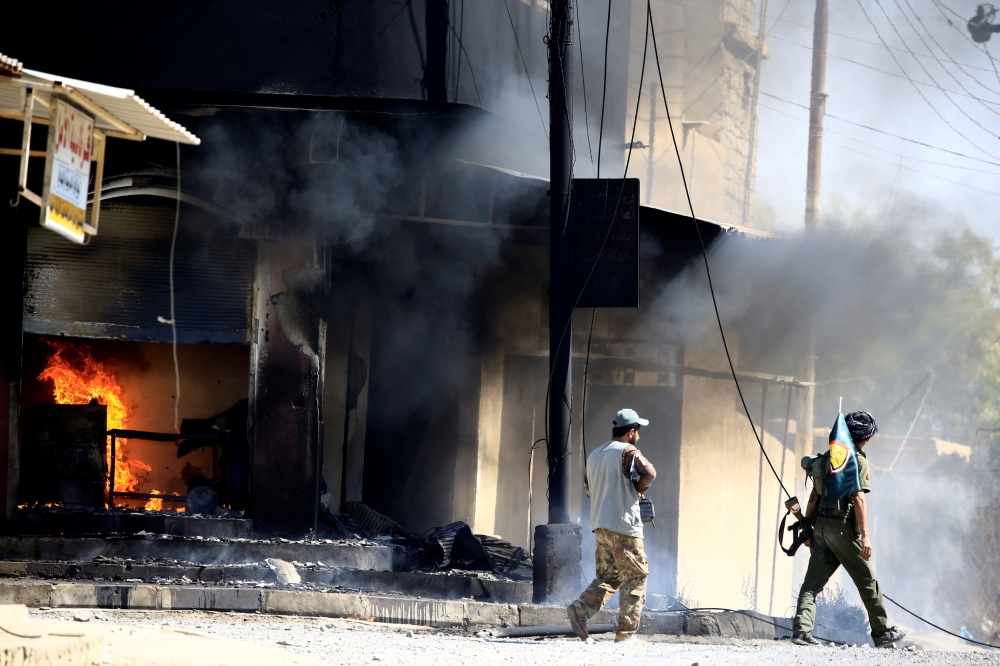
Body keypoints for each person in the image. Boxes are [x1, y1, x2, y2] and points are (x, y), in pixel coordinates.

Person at [791, 410, 907, 648]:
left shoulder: (825, 460)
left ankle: (801, 633)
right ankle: (883, 635)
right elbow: (859, 499)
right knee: (868, 582)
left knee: (811, 586)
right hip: (843, 529)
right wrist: (865, 536)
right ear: (863, 438)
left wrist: (807, 527)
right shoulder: (857, 461)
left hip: (821, 527)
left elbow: (814, 496)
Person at [567, 408, 656, 643]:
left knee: (610, 576)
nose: (639, 435)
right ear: (631, 431)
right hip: (624, 526)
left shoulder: (595, 455)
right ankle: (626, 635)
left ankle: (580, 609)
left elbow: (588, 489)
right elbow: (649, 472)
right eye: (638, 430)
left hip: (600, 525)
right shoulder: (628, 451)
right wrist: (638, 491)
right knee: (636, 576)